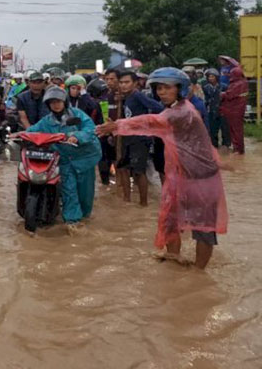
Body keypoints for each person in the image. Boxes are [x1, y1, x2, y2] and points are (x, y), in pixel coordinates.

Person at [96, 68, 228, 269]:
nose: (161, 92)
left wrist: (117, 125)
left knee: (203, 227)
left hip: (200, 176)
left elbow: (151, 122)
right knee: (170, 219)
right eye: (158, 88)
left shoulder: (183, 112)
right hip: (180, 174)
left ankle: (199, 273)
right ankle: (173, 260)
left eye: (167, 88)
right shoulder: (174, 109)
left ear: (180, 89)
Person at [21, 86, 101, 229]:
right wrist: (20, 135)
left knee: (85, 193)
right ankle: (72, 222)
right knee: (69, 190)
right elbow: (32, 131)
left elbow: (90, 129)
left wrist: (77, 136)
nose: (56, 105)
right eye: (52, 102)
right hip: (64, 160)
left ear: (65, 101)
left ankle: (85, 217)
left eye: (58, 101)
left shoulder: (78, 115)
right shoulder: (46, 121)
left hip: (85, 159)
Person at [116, 71, 164, 205]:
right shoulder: (126, 97)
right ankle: (127, 200)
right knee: (123, 167)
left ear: (135, 83)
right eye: (121, 83)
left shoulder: (138, 95)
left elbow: (157, 107)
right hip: (127, 136)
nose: (123, 85)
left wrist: (147, 123)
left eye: (127, 82)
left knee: (139, 171)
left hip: (140, 139)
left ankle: (143, 203)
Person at [87, 78, 115, 185]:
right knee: (113, 158)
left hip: (101, 133)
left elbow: (92, 119)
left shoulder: (96, 103)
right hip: (113, 133)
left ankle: (105, 182)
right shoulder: (112, 99)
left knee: (103, 158)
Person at [220, 66, 248, 155]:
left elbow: (229, 95)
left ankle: (238, 149)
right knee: (236, 130)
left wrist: (221, 94)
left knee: (235, 130)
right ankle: (238, 148)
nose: (229, 75)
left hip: (234, 110)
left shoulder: (237, 84)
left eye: (231, 74)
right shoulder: (243, 82)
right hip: (237, 109)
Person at [203, 68, 231, 148]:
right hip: (212, 110)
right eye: (209, 77)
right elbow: (206, 99)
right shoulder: (206, 87)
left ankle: (226, 145)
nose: (210, 78)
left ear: (216, 77)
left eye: (212, 76)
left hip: (222, 109)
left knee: (225, 129)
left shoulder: (224, 86)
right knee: (212, 129)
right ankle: (214, 145)